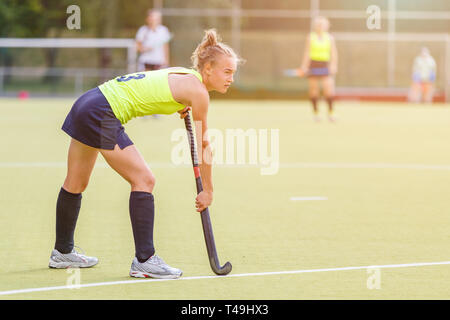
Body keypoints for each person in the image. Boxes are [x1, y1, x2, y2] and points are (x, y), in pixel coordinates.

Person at [48, 29, 242, 279]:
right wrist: (208, 190)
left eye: (233, 73)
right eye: (227, 72)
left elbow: (160, 91)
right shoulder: (199, 93)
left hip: (90, 101)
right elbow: (205, 146)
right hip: (102, 113)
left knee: (76, 182)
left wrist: (181, 105)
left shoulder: (183, 75)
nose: (231, 79)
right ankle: (145, 260)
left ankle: (62, 252)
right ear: (208, 70)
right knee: (144, 180)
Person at [299, 16, 338, 122]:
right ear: (315, 26)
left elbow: (333, 53)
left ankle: (331, 113)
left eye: (322, 24)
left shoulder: (330, 37)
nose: (320, 27)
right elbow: (307, 52)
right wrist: (304, 66)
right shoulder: (310, 37)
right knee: (313, 90)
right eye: (318, 24)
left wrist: (333, 65)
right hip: (313, 65)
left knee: (328, 89)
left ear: (327, 26)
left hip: (325, 65)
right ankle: (315, 113)